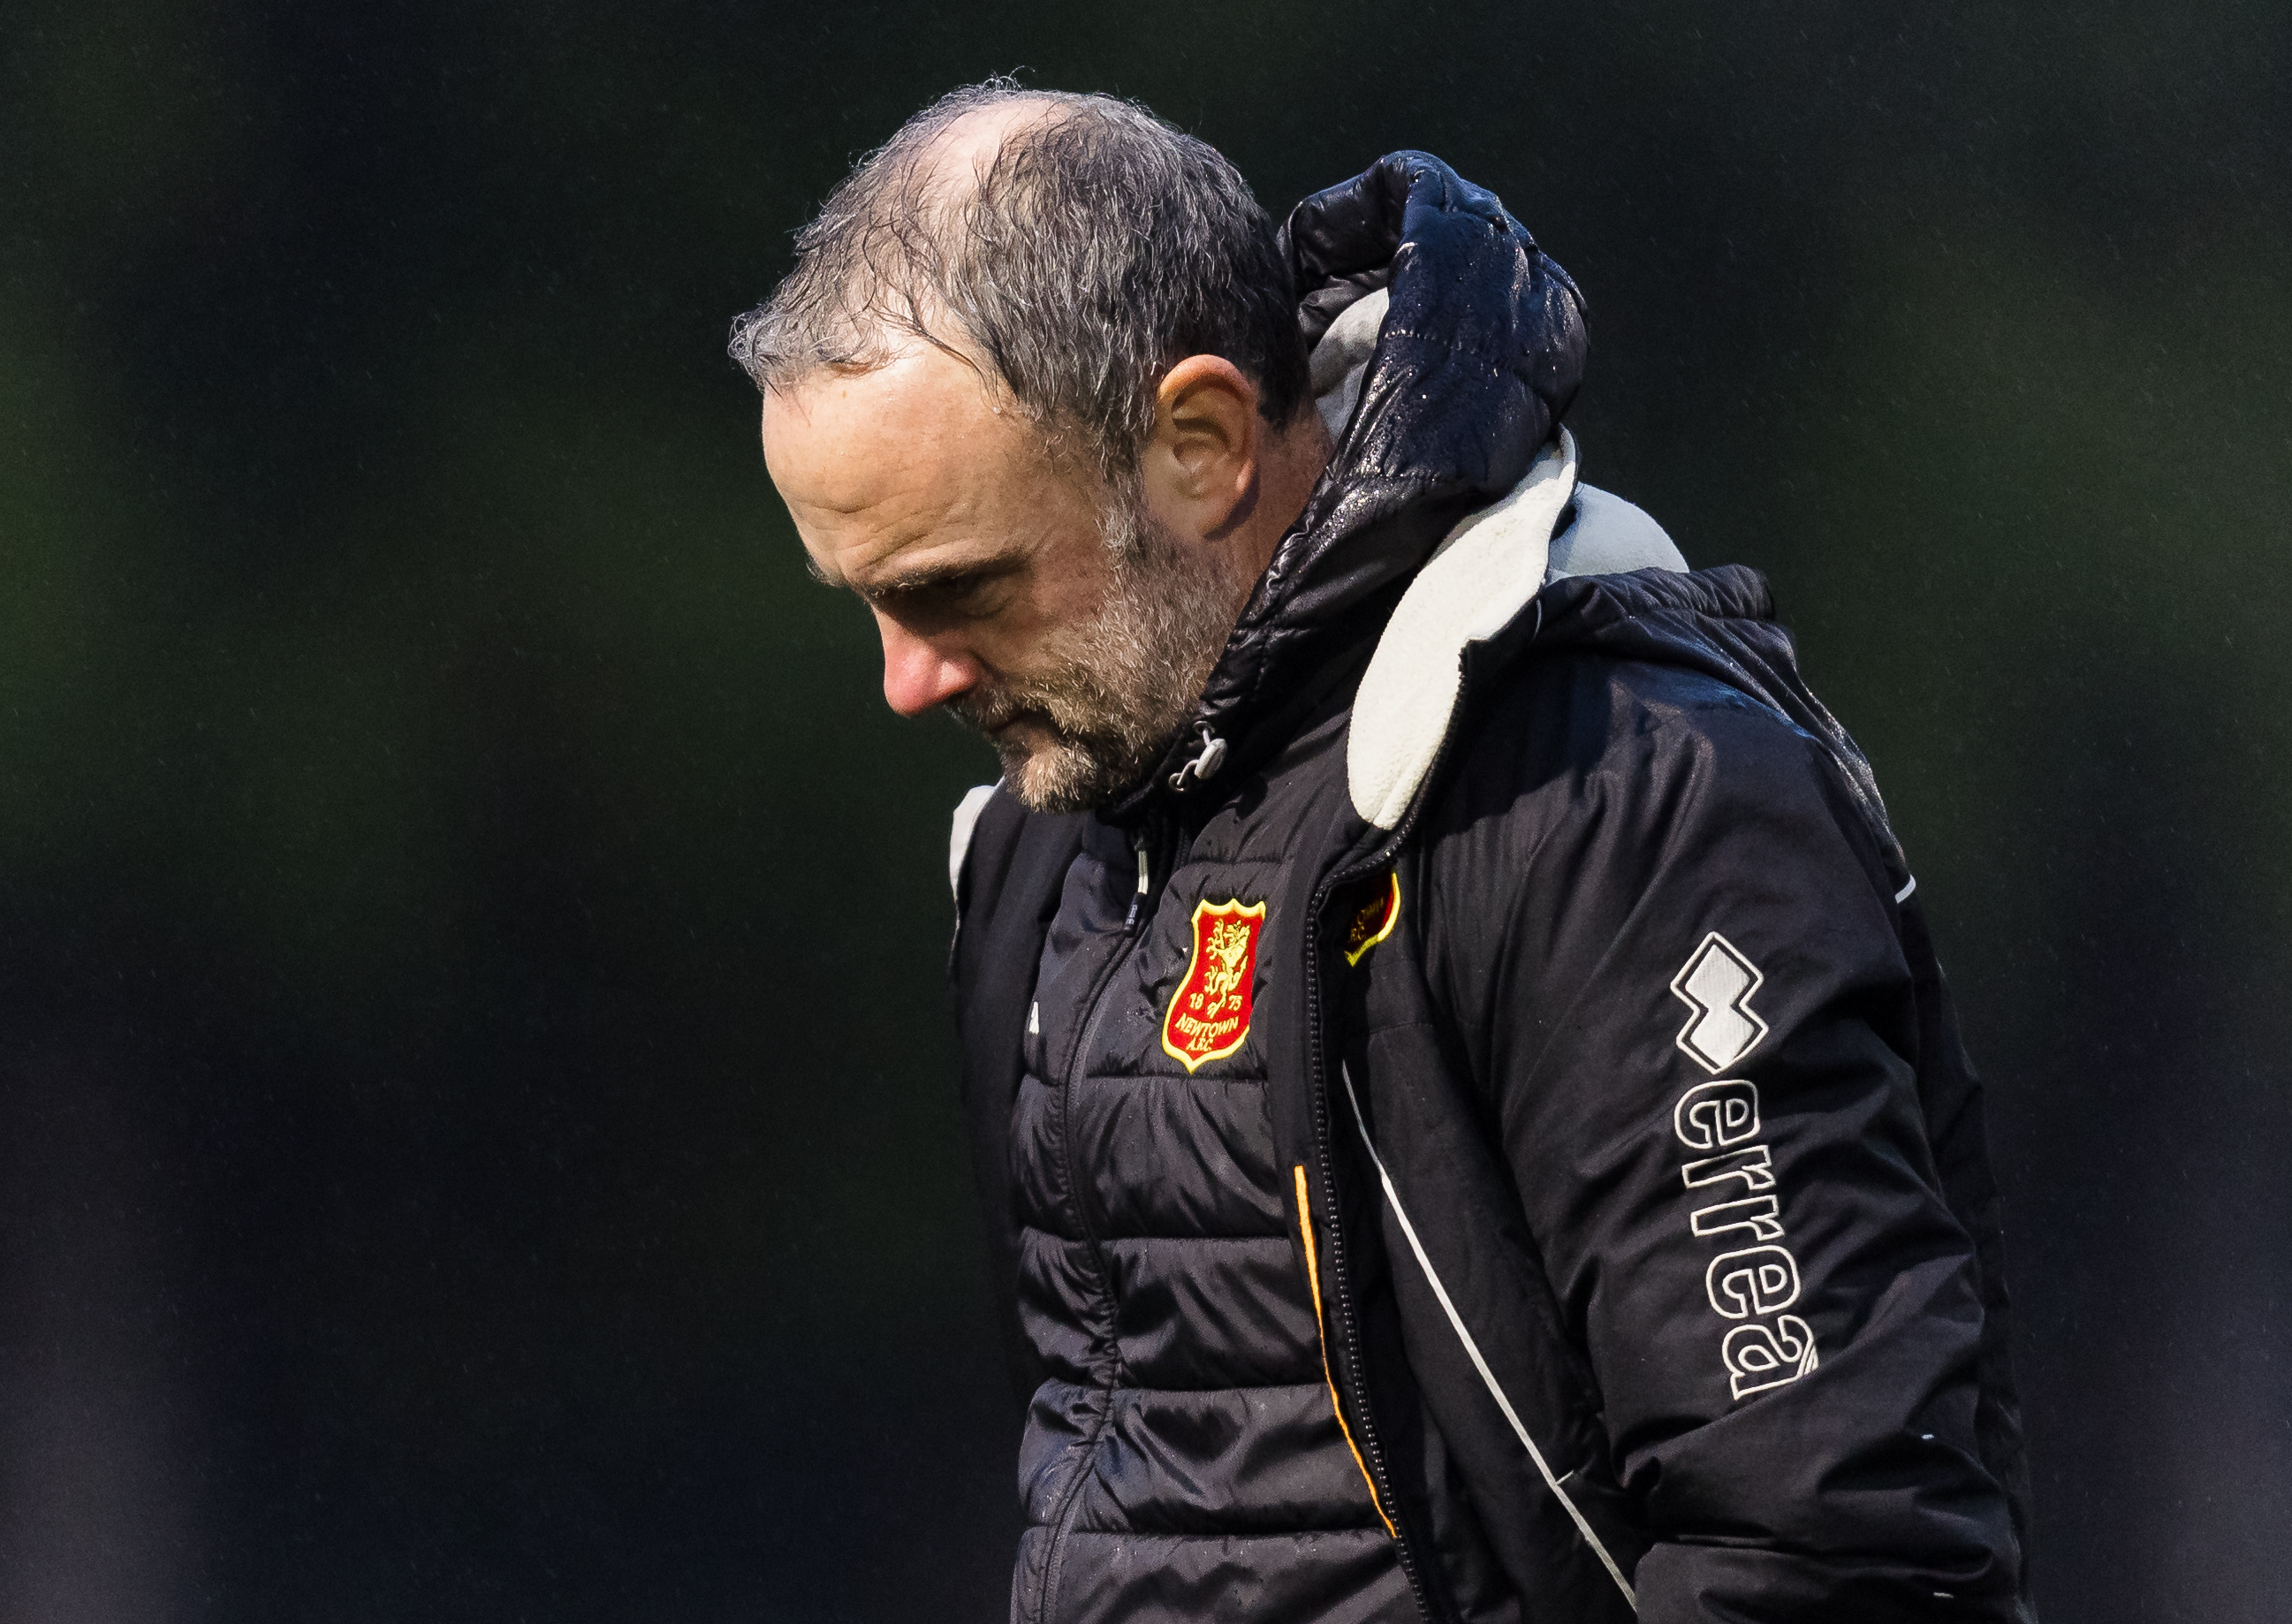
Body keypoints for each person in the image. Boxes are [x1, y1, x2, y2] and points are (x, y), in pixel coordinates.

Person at [732, 81, 2033, 1624]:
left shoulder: (1611, 798)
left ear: (1201, 442)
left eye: (955, 586)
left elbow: (1837, 1550)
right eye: (864, 601)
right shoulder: (1045, 840)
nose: (907, 678)